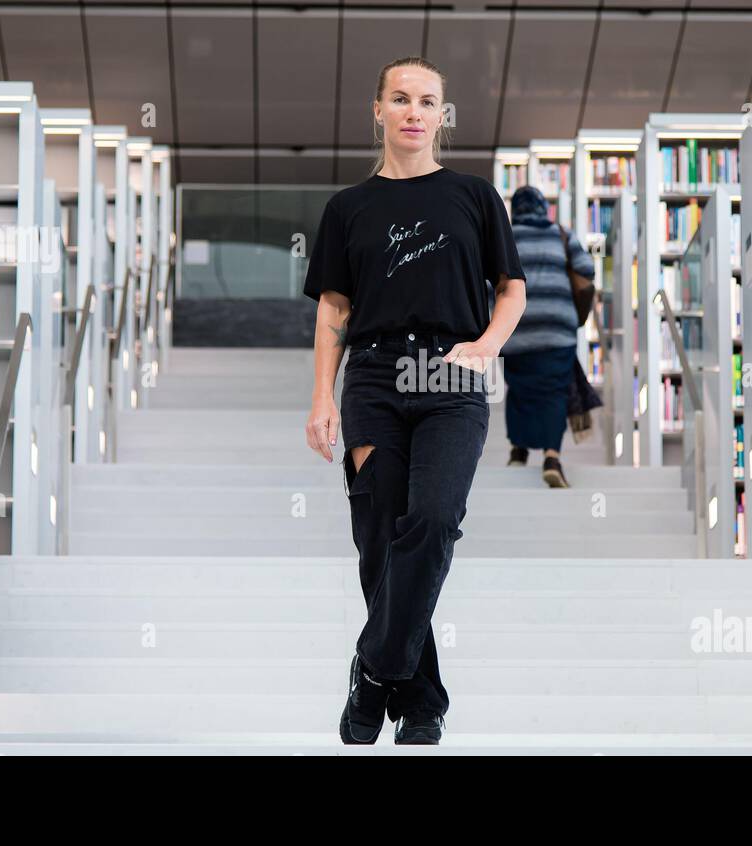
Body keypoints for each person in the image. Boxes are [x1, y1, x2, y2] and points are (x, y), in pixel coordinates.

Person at [303, 56, 526, 746]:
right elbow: (335, 308)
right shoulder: (347, 209)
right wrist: (321, 396)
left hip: (451, 377)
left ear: (441, 115)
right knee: (378, 540)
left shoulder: (475, 196)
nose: (413, 111)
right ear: (378, 110)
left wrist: (486, 346)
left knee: (430, 521)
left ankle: (373, 673)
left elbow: (511, 289)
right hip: (372, 375)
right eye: (399, 98)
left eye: (427, 101)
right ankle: (422, 698)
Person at [500, 186, 596, 488]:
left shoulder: (504, 237)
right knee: (554, 393)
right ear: (543, 207)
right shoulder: (561, 234)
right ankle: (552, 457)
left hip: (514, 329)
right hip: (557, 329)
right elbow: (587, 269)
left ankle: (518, 451)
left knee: (519, 391)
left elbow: (488, 278)